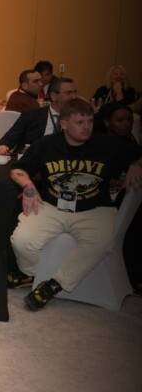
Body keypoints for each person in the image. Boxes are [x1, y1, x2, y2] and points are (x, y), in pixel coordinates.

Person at [9, 98, 142, 309]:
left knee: (101, 242)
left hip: (95, 208)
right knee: (22, 240)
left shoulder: (107, 144)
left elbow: (138, 153)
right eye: (79, 122)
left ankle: (54, 284)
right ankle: (33, 274)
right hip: (52, 206)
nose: (86, 127)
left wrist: (136, 163)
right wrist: (28, 186)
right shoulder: (46, 144)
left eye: (90, 121)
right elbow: (17, 169)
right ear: (63, 124)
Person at [0, 77, 78, 157]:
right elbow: (9, 138)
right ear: (53, 96)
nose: (74, 97)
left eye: (75, 92)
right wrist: (2, 146)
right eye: (69, 93)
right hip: (34, 160)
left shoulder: (80, 118)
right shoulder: (32, 115)